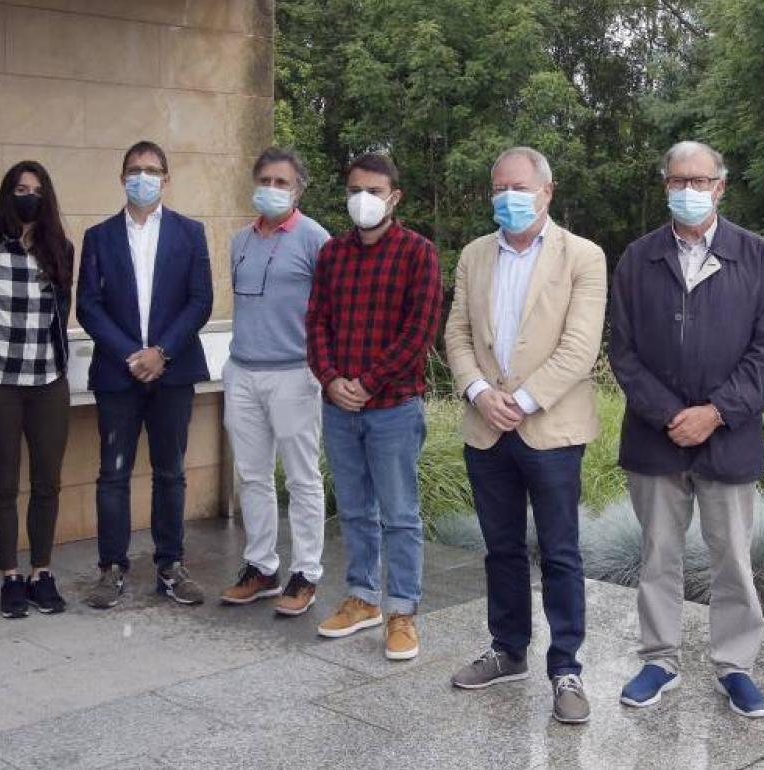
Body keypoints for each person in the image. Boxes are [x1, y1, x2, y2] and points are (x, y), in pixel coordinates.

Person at [609, 140, 764, 718]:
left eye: (700, 180)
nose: (689, 190)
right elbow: (624, 352)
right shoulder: (638, 258)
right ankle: (659, 659)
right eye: (678, 180)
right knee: (658, 554)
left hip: (729, 436)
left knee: (732, 558)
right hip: (654, 436)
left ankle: (735, 666)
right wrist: (669, 414)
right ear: (664, 185)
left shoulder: (757, 257)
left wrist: (715, 412)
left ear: (721, 185)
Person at [444, 147, 606, 724]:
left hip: (552, 427)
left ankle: (566, 668)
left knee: (561, 552)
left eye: (518, 187)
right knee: (502, 548)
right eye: (498, 188)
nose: (506, 198)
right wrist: (478, 393)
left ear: (546, 192)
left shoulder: (582, 256)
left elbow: (580, 345)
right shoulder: (474, 255)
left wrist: (524, 399)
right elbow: (457, 333)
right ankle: (508, 649)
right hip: (486, 425)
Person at [307, 153, 442, 660]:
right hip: (340, 405)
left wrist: (367, 382)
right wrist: (331, 378)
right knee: (356, 509)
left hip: (392, 406)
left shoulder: (417, 253)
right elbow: (317, 320)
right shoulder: (333, 254)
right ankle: (363, 598)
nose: (363, 199)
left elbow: (419, 330)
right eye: (355, 189)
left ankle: (402, 609)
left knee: (400, 514)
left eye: (374, 190)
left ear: (394, 197)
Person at [76, 140, 213, 609]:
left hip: (172, 373)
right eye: (134, 169)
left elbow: (200, 300)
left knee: (171, 472)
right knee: (112, 473)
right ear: (121, 178)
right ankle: (110, 568)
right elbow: (88, 306)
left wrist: (161, 352)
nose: (143, 177)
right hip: (118, 375)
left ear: (166, 179)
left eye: (152, 169)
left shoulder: (190, 232)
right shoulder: (98, 237)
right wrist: (131, 355)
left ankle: (170, 565)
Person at [219, 147, 330, 615]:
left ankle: (306, 573)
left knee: (302, 479)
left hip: (294, 374)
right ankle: (261, 567)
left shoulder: (315, 239)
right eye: (265, 179)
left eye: (282, 182)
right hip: (242, 370)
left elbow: (330, 311)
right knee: (252, 475)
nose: (272, 188)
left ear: (299, 189)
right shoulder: (239, 241)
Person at [0, 160, 75, 619]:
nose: (27, 195)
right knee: (4, 484)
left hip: (48, 381)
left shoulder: (60, 248)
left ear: (46, 197)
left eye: (35, 189)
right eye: (19, 188)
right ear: (7, 195)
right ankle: (10, 577)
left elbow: (62, 311)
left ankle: (41, 572)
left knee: (48, 482)